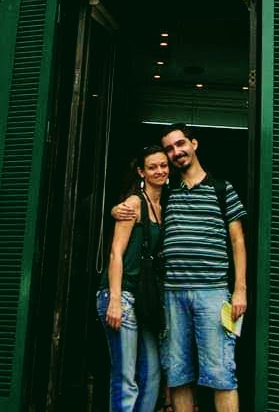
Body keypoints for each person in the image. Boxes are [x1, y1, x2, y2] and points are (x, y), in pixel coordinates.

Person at [115, 124, 247, 412]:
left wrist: (240, 290)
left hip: (213, 294)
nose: (176, 152)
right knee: (177, 375)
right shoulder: (168, 190)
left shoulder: (222, 189)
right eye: (170, 148)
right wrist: (116, 209)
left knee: (222, 373)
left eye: (180, 144)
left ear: (194, 144)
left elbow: (237, 241)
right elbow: (139, 203)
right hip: (172, 295)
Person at [96, 145, 169, 412]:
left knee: (151, 376)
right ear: (142, 172)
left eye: (163, 165)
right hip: (122, 295)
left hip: (145, 300)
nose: (159, 171)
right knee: (126, 377)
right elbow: (116, 252)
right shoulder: (134, 203)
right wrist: (114, 299)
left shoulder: (164, 205)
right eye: (152, 167)